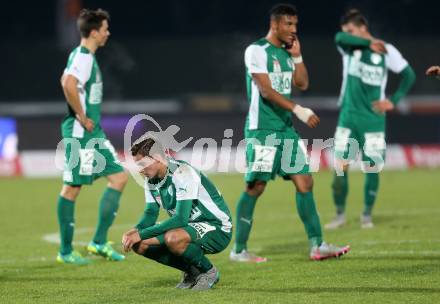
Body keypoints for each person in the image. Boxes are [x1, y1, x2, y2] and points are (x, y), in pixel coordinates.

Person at [230, 3, 350, 263]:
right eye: (288, 24)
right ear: (275, 25)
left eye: (295, 24)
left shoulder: (286, 53)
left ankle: (318, 245)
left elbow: (303, 83)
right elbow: (264, 90)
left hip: (285, 130)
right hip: (262, 130)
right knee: (256, 187)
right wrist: (298, 109)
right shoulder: (256, 50)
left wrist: (297, 57)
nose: (293, 29)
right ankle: (239, 250)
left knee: (305, 181)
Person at [325, 9, 416, 230]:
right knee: (339, 170)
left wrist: (393, 100)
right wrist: (366, 44)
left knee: (372, 168)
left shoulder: (387, 50)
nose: (348, 34)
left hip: (374, 119)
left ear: (362, 28)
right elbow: (339, 38)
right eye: (347, 31)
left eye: (351, 30)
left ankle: (366, 214)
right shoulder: (348, 47)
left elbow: (409, 75)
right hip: (348, 117)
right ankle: (339, 214)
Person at [57, 8, 128, 264]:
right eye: (105, 29)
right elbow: (67, 83)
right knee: (72, 189)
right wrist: (81, 116)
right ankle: (65, 252)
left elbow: (64, 78)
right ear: (95, 32)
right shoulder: (84, 56)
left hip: (93, 132)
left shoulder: (82, 56)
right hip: (80, 133)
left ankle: (98, 242)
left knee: (119, 178)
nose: (108, 33)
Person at [122, 137, 232, 290]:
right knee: (139, 244)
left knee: (173, 238)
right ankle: (192, 272)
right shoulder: (151, 181)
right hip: (189, 226)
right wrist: (136, 230)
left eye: (142, 164)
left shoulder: (182, 172)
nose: (140, 169)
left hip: (216, 227)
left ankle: (208, 272)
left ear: (157, 158)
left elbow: (180, 219)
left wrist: (141, 233)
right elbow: (150, 213)